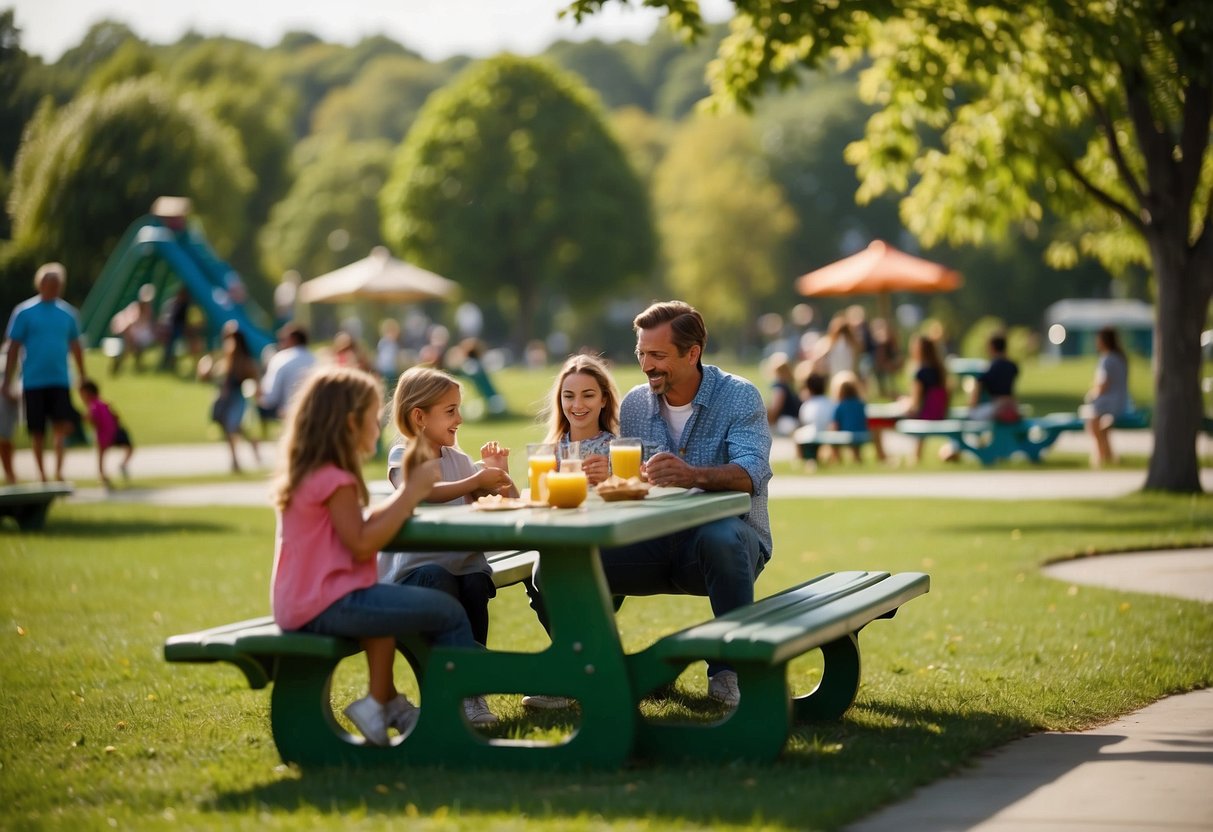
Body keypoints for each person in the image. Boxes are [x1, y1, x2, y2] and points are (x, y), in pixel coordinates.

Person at [528, 300, 771, 711]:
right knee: (552, 566)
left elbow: (753, 472)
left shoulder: (739, 396)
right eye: (642, 353)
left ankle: (729, 673)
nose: (646, 365)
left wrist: (692, 475)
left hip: (721, 547)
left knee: (722, 536)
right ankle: (585, 667)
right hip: (652, 542)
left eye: (657, 356)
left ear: (691, 353)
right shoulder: (638, 404)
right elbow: (627, 472)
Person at [271, 365, 478, 747]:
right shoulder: (336, 480)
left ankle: (383, 702)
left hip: (313, 600)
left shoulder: (316, 472)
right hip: (327, 603)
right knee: (447, 612)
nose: (378, 428)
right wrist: (410, 493)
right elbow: (363, 542)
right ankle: (457, 709)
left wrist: (404, 497)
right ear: (350, 424)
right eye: (372, 419)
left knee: (384, 611)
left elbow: (357, 524)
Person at [379, 366, 517, 727]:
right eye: (450, 410)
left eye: (459, 408)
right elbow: (422, 493)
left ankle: (473, 693)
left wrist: (499, 475)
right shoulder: (403, 455)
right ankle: (475, 668)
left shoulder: (459, 461)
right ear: (419, 416)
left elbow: (502, 500)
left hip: (463, 568)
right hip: (415, 576)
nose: (460, 418)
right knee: (437, 577)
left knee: (473, 580)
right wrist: (475, 479)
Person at [3, 262, 88, 482]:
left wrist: (82, 375)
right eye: (50, 283)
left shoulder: (68, 314)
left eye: (57, 284)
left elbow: (76, 347)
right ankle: (42, 474)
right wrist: (7, 380)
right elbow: (13, 348)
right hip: (33, 380)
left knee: (62, 425)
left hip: (60, 378)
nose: (54, 287)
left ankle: (59, 470)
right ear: (40, 284)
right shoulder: (24, 312)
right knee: (37, 430)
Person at [540, 353, 620, 486]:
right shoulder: (550, 453)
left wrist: (611, 479)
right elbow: (537, 499)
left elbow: (632, 495)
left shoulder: (618, 450)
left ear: (603, 399)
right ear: (560, 400)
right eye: (569, 396)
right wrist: (504, 478)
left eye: (588, 395)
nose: (577, 405)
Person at [201, 323, 261, 473]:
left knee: (231, 426)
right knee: (232, 427)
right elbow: (214, 375)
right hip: (223, 396)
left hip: (236, 396)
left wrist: (258, 392)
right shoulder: (225, 356)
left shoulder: (244, 360)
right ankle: (249, 446)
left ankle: (235, 461)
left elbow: (253, 376)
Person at [1083, 326, 1131, 467]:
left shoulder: (1107, 360)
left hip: (1108, 404)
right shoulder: (1121, 359)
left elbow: (1103, 385)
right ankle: (1107, 457)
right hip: (1122, 403)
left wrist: (1091, 394)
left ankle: (1101, 457)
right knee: (1101, 426)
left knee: (1093, 422)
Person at [78, 380, 134, 489]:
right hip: (110, 431)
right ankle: (103, 475)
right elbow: (115, 415)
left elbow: (94, 419)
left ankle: (103, 474)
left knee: (102, 454)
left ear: (88, 392)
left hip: (106, 432)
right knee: (105, 453)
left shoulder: (95, 405)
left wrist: (87, 419)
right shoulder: (102, 403)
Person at [258, 323, 316, 423]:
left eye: (283, 339)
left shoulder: (280, 358)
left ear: (292, 339)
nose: (280, 342)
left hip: (288, 414)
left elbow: (270, 398)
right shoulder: (314, 359)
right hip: (312, 412)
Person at [968, 333, 1020, 422]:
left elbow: (978, 388)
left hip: (997, 407)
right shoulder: (1012, 366)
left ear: (992, 347)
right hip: (1011, 405)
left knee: (972, 415)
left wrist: (972, 405)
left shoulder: (990, 367)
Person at [795, 373, 834, 468]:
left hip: (813, 433)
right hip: (828, 431)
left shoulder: (808, 404)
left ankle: (800, 460)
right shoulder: (830, 402)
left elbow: (804, 421)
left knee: (797, 435)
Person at [830, 370, 868, 464]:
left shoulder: (839, 406)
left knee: (833, 436)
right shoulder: (861, 404)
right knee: (856, 448)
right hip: (862, 433)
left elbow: (835, 424)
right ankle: (857, 459)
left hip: (845, 434)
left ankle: (837, 458)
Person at [764, 353, 803, 437]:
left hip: (786, 422)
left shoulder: (779, 387)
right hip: (793, 421)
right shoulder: (789, 385)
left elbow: (775, 409)